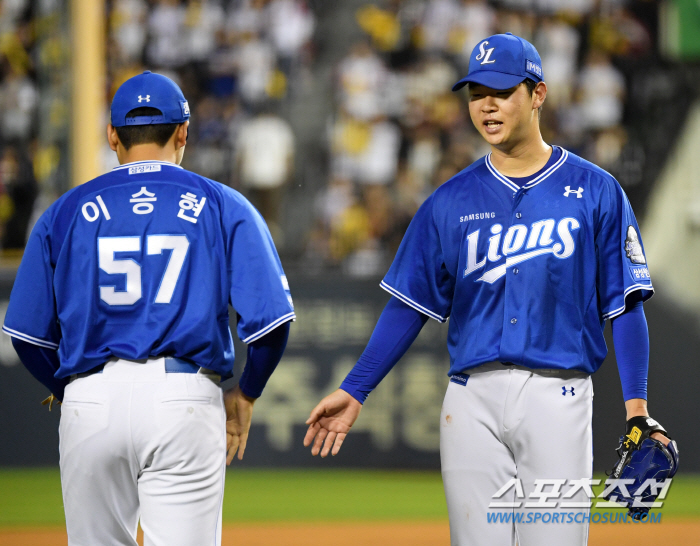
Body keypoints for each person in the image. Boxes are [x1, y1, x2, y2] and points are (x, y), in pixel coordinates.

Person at [304, 33, 673, 545]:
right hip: (470, 400)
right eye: (476, 93)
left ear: (538, 94)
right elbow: (409, 305)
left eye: (501, 91)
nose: (487, 105)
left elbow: (625, 305)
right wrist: (356, 387)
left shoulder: (596, 190)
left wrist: (638, 408)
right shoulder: (449, 201)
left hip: (558, 394)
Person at [3, 71, 295, 546]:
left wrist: (71, 388)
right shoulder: (223, 203)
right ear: (183, 132)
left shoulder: (64, 211)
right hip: (181, 398)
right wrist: (247, 392)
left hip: (90, 399)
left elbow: (27, 336)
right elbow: (271, 325)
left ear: (112, 135)